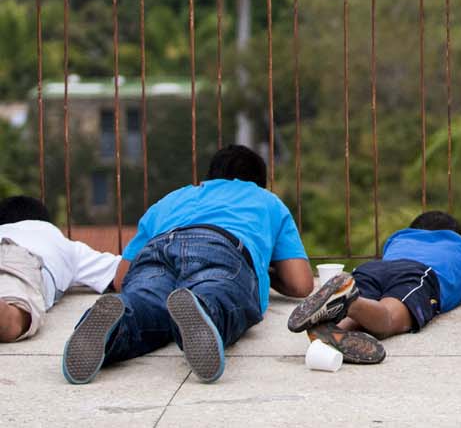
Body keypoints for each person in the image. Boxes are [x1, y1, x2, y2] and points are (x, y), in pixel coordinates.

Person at [61, 144, 313, 384]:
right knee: (220, 290)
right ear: (259, 183)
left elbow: (120, 279)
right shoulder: (266, 199)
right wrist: (263, 273)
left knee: (144, 302)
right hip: (219, 245)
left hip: (157, 250)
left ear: (208, 177)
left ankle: (115, 326)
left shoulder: (171, 200)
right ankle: (205, 307)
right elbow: (300, 283)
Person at [288, 209, 461, 363]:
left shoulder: (399, 239)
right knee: (389, 317)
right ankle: (351, 300)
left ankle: (338, 325)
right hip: (419, 274)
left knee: (370, 305)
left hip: (375, 268)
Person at [0, 195, 122, 342]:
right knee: (13, 319)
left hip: (10, 251)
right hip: (18, 257)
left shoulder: (5, 229)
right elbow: (121, 273)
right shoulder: (63, 243)